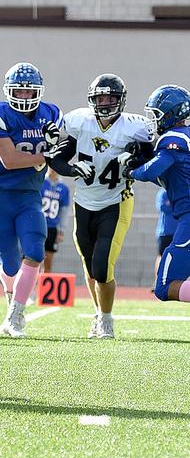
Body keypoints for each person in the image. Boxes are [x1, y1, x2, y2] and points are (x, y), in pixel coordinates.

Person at [45, 74, 152, 339]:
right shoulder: (80, 123)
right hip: (84, 203)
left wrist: (135, 157)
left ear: (121, 100)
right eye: (100, 98)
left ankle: (106, 319)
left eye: (111, 98)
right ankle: (98, 312)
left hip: (116, 202)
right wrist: (71, 170)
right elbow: (56, 158)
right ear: (92, 100)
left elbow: (153, 153)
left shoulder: (135, 127)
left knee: (103, 267)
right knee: (90, 263)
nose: (105, 103)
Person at [0, 62, 61, 339]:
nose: (24, 97)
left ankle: (16, 315)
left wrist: (63, 148)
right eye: (19, 91)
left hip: (29, 196)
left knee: (36, 252)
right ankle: (10, 293)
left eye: (29, 92)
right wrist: (50, 156)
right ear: (8, 91)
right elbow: (11, 160)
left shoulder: (51, 114)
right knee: (11, 265)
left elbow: (65, 146)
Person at [126, 85, 190, 305]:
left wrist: (131, 171)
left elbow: (152, 171)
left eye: (157, 115)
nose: (153, 120)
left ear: (172, 114)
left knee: (164, 286)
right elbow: (166, 177)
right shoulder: (183, 139)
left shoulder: (173, 138)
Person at [41, 169, 70, 272]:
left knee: (48, 262)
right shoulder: (41, 182)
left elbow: (64, 211)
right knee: (32, 259)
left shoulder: (64, 188)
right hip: (38, 226)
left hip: (52, 228)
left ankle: (44, 287)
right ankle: (30, 287)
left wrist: (62, 231)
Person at [155, 188, 177, 285]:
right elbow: (163, 207)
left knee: (178, 256)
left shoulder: (180, 191)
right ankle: (157, 282)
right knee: (161, 255)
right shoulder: (163, 193)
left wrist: (172, 205)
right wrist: (176, 206)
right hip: (165, 232)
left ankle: (175, 282)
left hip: (179, 231)